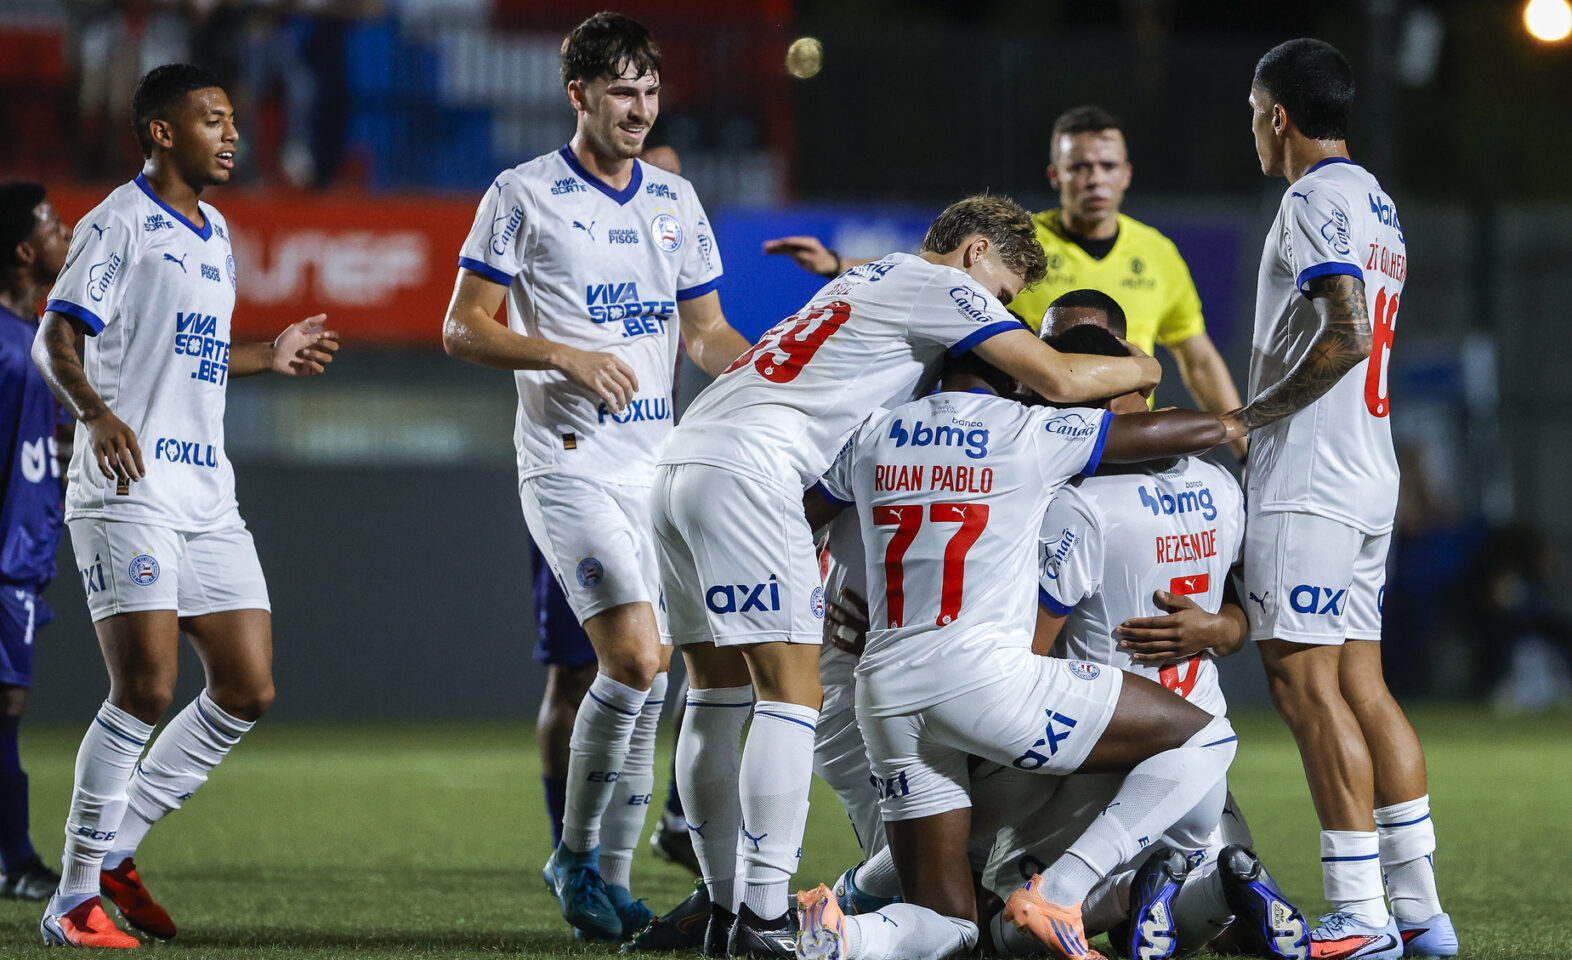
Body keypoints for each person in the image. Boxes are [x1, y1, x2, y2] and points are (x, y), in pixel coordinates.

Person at [652, 193, 1161, 957]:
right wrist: (1142, 363)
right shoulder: (945, 288)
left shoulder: (861, 282)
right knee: (790, 696)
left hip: (685, 456)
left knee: (717, 699)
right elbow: (1054, 376)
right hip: (756, 469)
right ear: (976, 252)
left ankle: (727, 912)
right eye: (1001, 297)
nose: (994, 320)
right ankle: (760, 920)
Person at [440, 12, 750, 942]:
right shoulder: (521, 194)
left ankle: (609, 880)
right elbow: (462, 327)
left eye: (651, 92)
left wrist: (771, 371)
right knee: (634, 661)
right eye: (622, 91)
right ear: (577, 93)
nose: (639, 109)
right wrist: (564, 356)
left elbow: (705, 333)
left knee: (651, 682)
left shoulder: (673, 201)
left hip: (657, 466)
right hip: (568, 466)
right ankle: (574, 855)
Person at [793, 346, 1243, 960]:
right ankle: (1061, 892)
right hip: (985, 680)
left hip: (883, 688)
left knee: (952, 925)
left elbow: (797, 518)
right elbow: (1156, 432)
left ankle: (845, 933)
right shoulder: (1025, 430)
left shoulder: (876, 429)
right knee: (1206, 739)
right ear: (1018, 372)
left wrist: (817, 598)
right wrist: (1235, 421)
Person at [31, 62, 339, 948]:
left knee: (246, 687)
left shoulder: (215, 234)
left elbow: (192, 357)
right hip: (126, 487)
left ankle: (118, 847)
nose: (232, 134)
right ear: (162, 132)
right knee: (147, 687)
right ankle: (72, 899)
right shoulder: (117, 223)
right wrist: (97, 414)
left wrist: (268, 354)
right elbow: (60, 335)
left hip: (206, 490)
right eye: (212, 119)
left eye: (234, 120)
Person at [1238, 38, 1452, 960]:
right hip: (1368, 475)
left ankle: (1360, 917)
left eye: (1253, 111)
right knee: (1363, 684)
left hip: (1312, 481)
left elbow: (1345, 334)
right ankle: (1420, 914)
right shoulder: (1377, 202)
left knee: (1305, 684)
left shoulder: (1312, 197)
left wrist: (1250, 418)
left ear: (1277, 114)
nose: (1251, 127)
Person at [762, 105, 1245, 454]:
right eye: (1080, 167)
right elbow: (935, 272)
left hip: (1120, 436)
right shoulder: (1021, 247)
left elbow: (1198, 358)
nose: (1094, 178)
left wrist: (1241, 441)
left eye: (1107, 165)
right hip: (1032, 443)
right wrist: (838, 263)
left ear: (1126, 174)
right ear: (1056, 175)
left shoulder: (1159, 253)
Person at [0, 182, 71, 901]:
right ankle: (15, 859)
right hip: (3, 560)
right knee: (6, 706)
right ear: (25, 251)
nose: (67, 230)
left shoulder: (38, 340)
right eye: (53, 224)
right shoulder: (8, 345)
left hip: (23, 557)